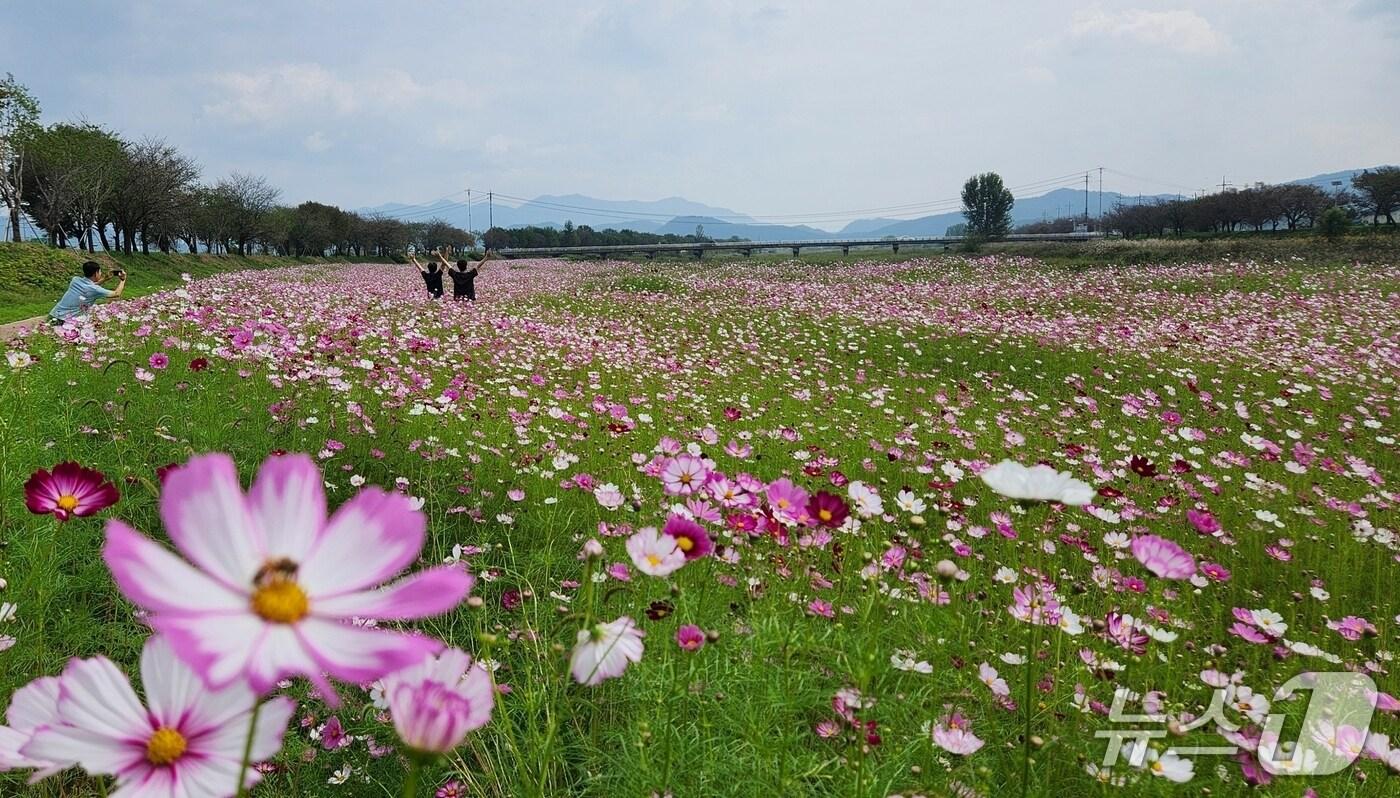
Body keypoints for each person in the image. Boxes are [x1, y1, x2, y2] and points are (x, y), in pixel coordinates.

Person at [49, 260, 125, 323]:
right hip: (66, 321)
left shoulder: (75, 280)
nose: (101, 274)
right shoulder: (95, 289)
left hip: (54, 315)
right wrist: (123, 279)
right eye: (100, 272)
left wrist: (105, 278)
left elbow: (90, 286)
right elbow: (116, 294)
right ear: (96, 273)